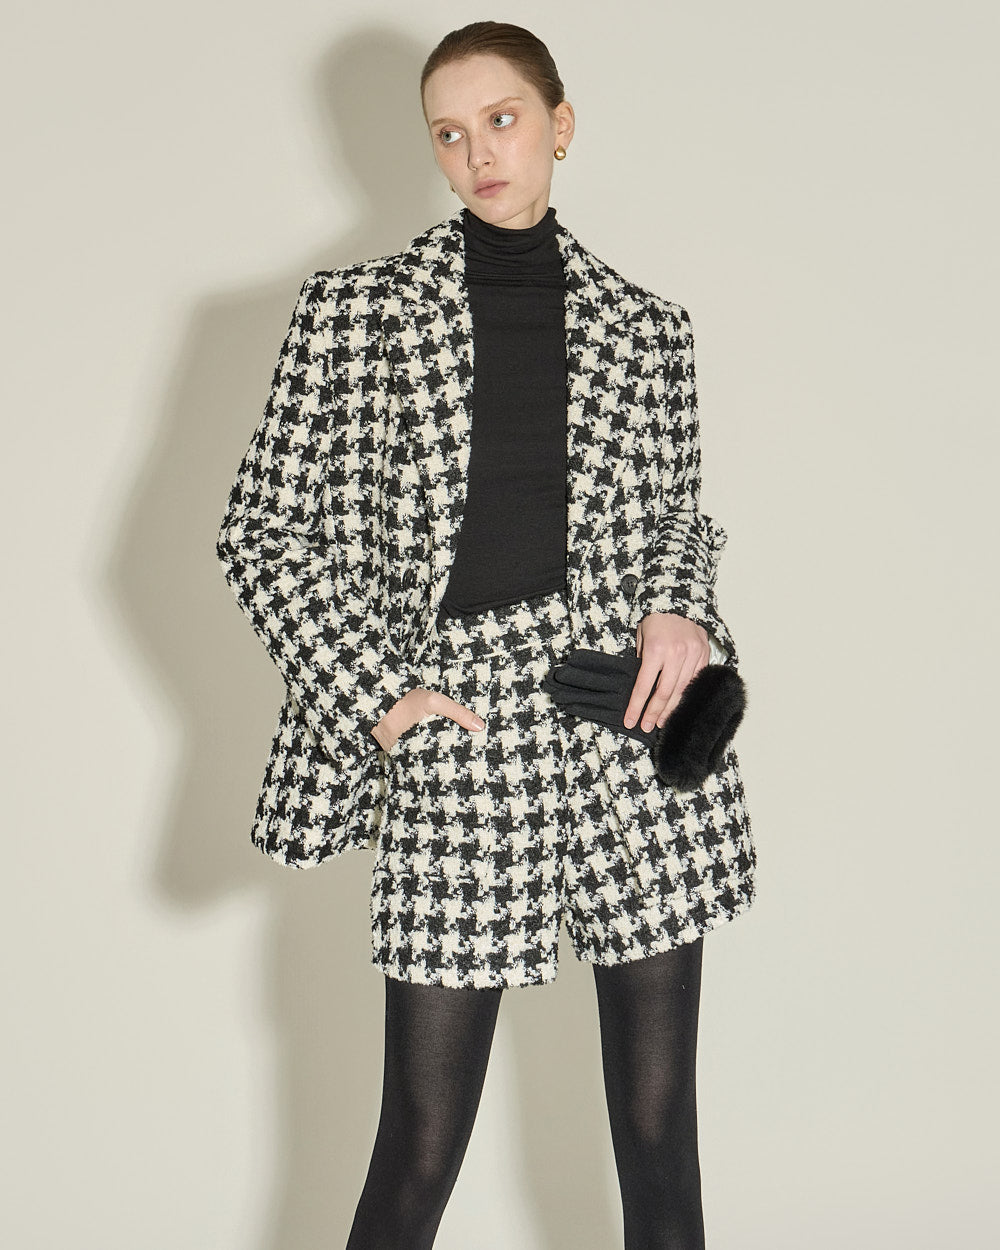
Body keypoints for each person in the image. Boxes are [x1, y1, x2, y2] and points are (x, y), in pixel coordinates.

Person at [217, 20, 756, 1250]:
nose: (478, 153)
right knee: (418, 1146)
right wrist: (381, 694)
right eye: (449, 134)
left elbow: (678, 516)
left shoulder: (649, 328)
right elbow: (261, 531)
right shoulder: (354, 313)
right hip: (459, 730)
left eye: (501, 120)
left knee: (660, 1138)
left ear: (559, 126)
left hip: (625, 730)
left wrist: (678, 605)